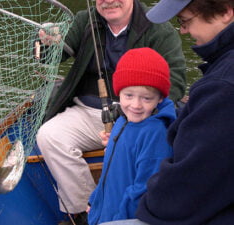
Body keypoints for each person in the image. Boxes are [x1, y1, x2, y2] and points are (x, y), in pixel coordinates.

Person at [36, 0, 186, 223]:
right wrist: (46, 42)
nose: (108, 1)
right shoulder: (84, 21)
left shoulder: (158, 27)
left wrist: (136, 111)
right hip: (85, 111)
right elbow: (51, 58)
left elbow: (176, 80)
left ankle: (120, 214)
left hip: (137, 116)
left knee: (131, 160)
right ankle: (84, 210)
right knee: (48, 136)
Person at [131, 0, 234, 224]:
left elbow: (186, 190)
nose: (183, 30)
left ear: (226, 12)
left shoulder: (223, 86)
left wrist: (148, 204)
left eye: (185, 20)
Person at [87, 47, 176, 225]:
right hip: (105, 212)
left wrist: (117, 220)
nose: (135, 105)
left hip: (123, 218)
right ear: (118, 92)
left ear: (159, 98)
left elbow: (142, 190)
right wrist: (94, 200)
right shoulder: (123, 119)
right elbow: (108, 170)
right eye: (128, 95)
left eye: (146, 98)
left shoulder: (155, 134)